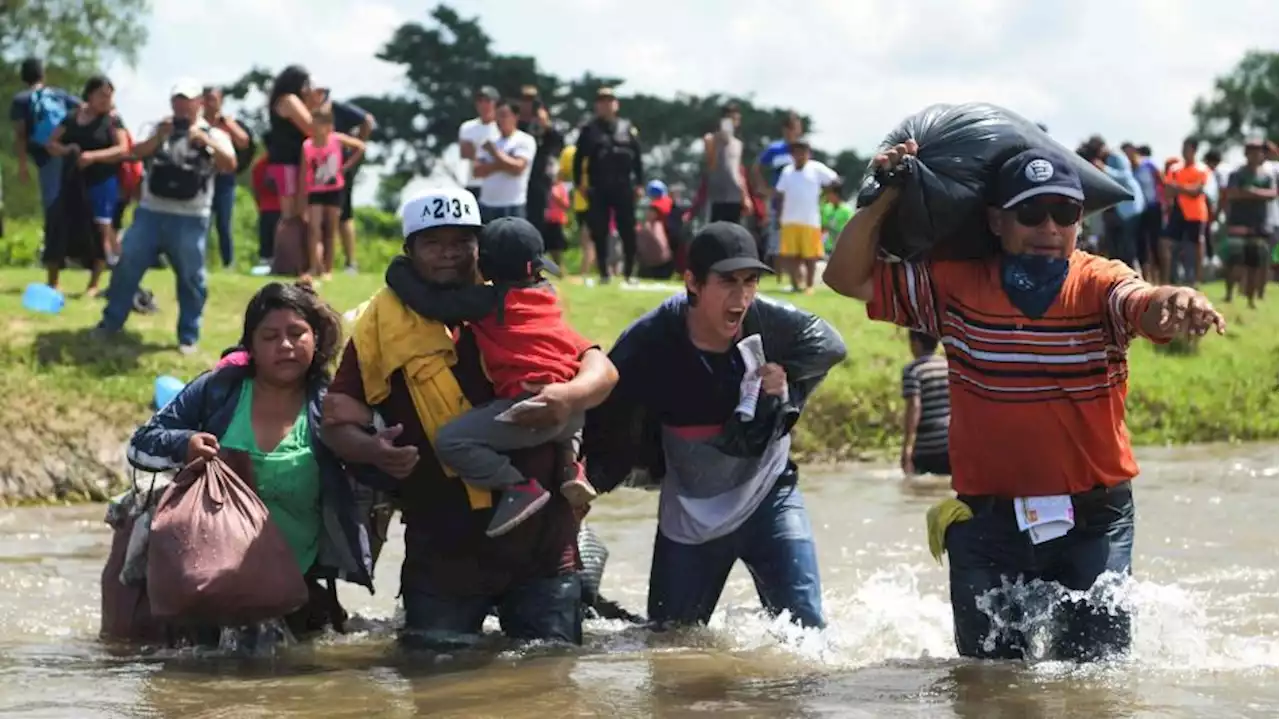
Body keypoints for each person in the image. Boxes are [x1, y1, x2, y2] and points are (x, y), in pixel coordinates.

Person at [824, 140, 1226, 661]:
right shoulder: (956, 285)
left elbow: (1140, 301)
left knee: (1093, 683)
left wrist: (1176, 300)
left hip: (1092, 521)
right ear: (995, 221)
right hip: (988, 526)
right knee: (987, 685)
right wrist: (885, 195)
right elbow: (844, 277)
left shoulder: (1097, 282)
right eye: (1031, 213)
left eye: (1065, 213)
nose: (1050, 229)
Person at [318, 186, 619, 650]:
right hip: (441, 556)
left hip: (542, 553)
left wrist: (567, 395)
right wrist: (372, 449)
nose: (449, 255)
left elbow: (599, 366)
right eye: (433, 243)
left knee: (551, 689)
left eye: (461, 242)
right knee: (437, 689)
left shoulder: (514, 304)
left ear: (481, 249)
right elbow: (335, 424)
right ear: (409, 251)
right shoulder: (380, 326)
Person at [584, 222, 847, 629]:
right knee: (668, 644)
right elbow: (605, 423)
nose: (741, 297)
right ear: (693, 283)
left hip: (769, 496)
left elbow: (831, 345)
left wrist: (787, 379)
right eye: (727, 282)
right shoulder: (649, 342)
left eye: (750, 281)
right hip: (690, 517)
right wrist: (584, 486)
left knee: (809, 639)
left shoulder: (770, 320)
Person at [126, 281, 375, 644]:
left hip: (294, 588)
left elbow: (375, 475)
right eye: (270, 336)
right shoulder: (217, 391)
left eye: (296, 333)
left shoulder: (331, 404)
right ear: (251, 347)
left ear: (316, 340)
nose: (285, 346)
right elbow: (140, 445)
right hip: (206, 586)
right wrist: (185, 444)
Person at [383, 214, 600, 537]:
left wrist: (397, 269)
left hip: (530, 410)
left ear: (484, 268)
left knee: (451, 441)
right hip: (572, 412)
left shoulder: (491, 301)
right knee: (562, 401)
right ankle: (572, 467)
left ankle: (517, 486)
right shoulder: (548, 293)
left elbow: (431, 303)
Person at [95, 79, 236, 355]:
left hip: (191, 217)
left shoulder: (213, 134)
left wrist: (204, 140)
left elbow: (230, 164)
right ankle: (110, 323)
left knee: (192, 279)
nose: (182, 106)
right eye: (178, 101)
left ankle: (188, 336)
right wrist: (159, 137)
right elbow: (134, 153)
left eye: (188, 101)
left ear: (199, 103)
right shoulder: (159, 128)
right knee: (127, 266)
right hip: (151, 212)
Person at [43, 75, 128, 294]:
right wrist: (67, 150)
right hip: (71, 181)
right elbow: (51, 144)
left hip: (101, 181)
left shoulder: (113, 121)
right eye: (102, 95)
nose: (106, 100)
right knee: (58, 225)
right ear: (89, 95)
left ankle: (93, 284)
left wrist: (93, 157)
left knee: (99, 230)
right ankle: (53, 281)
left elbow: (122, 148)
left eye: (109, 96)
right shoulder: (71, 118)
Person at [574, 87, 644, 284]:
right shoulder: (589, 130)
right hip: (598, 186)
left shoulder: (627, 128)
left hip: (624, 186)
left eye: (610, 100)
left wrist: (640, 183)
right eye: (602, 101)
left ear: (616, 104)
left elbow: (638, 158)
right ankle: (604, 272)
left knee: (628, 229)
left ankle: (630, 272)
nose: (606, 105)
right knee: (600, 230)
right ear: (597, 105)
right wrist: (579, 182)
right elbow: (579, 159)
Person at [9, 57, 81, 218]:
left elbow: (20, 135)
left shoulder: (21, 99)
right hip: (68, 149)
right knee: (72, 197)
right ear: (42, 75)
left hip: (45, 153)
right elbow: (83, 108)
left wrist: (22, 165)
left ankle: (55, 239)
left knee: (52, 198)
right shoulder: (58, 94)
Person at [301, 107, 365, 278]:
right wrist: (303, 196)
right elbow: (303, 170)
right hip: (315, 190)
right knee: (314, 229)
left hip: (334, 189)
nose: (315, 127)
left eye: (319, 123)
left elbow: (360, 147)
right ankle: (314, 266)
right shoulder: (307, 145)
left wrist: (346, 166)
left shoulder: (336, 139)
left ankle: (328, 269)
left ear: (328, 125)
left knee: (331, 229)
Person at [318, 88, 375, 273]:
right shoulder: (312, 111)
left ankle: (350, 262)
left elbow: (367, 120)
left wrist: (354, 146)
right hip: (318, 169)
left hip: (340, 168)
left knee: (343, 215)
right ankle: (325, 262)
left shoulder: (338, 108)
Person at [775, 139, 838, 294]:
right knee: (791, 255)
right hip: (789, 219)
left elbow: (834, 179)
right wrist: (779, 214)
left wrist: (825, 194)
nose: (800, 155)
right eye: (796, 152)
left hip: (810, 220)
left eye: (803, 151)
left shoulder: (816, 168)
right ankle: (795, 285)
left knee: (810, 256)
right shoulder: (787, 171)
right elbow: (780, 193)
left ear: (808, 153)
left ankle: (809, 285)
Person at [1221, 139, 1278, 308]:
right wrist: (1255, 195)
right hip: (1238, 223)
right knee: (1234, 260)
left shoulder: (1267, 175)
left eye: (1259, 151)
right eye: (1252, 151)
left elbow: (1273, 194)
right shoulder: (1236, 174)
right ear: (1246, 154)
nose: (1256, 155)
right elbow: (1232, 194)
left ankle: (1251, 299)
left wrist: (1251, 192)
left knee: (1256, 262)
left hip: (1259, 225)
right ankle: (1229, 294)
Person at [201, 86, 253, 269]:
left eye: (214, 99)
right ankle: (201, 262)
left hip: (225, 180)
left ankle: (228, 263)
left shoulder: (229, 123)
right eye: (207, 99)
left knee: (224, 223)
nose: (210, 103)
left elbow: (244, 141)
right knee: (203, 223)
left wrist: (228, 125)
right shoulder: (198, 124)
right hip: (203, 178)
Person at [264, 66, 315, 232]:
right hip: (288, 162)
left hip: (289, 162)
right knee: (291, 215)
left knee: (295, 214)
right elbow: (311, 128)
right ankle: (288, 253)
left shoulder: (279, 100)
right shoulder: (289, 100)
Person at [754, 112, 805, 276]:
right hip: (779, 198)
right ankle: (778, 272)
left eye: (795, 128)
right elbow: (757, 168)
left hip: (800, 199)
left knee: (800, 233)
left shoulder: (803, 149)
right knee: (778, 234)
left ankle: (797, 272)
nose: (792, 132)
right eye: (789, 128)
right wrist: (764, 188)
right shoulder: (775, 149)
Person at [1161, 137, 1212, 286]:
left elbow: (1197, 191)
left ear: (1194, 150)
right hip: (1178, 211)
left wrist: (1179, 188)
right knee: (1167, 243)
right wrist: (1185, 188)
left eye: (1187, 148)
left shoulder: (1202, 169)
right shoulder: (1175, 169)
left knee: (1195, 245)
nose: (1184, 151)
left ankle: (1195, 278)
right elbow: (1168, 191)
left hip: (1196, 213)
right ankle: (1169, 278)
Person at [474, 101, 536, 222]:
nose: (499, 120)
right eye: (497, 116)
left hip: (512, 205)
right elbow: (477, 171)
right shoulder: (489, 141)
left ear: (515, 117)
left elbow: (517, 169)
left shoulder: (524, 140)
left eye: (503, 115)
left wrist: (494, 154)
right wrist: (503, 164)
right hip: (487, 204)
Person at [900, 330, 950, 477]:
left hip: (927, 446)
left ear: (915, 342)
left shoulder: (913, 371)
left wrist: (907, 448)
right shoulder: (949, 366)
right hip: (952, 443)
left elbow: (914, 407)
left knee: (919, 493)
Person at [517, 85, 565, 236]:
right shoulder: (515, 122)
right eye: (524, 100)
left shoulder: (544, 123)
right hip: (518, 178)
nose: (528, 104)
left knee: (537, 220)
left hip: (539, 178)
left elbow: (558, 145)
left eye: (531, 100)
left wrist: (546, 126)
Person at [704, 103, 751, 224]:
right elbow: (711, 165)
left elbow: (738, 172)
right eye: (729, 119)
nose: (733, 122)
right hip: (717, 196)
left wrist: (745, 196)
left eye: (735, 119)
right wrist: (718, 138)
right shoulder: (711, 139)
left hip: (734, 195)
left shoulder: (738, 144)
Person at [558, 143, 595, 282]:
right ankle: (588, 272)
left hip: (595, 202)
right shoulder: (570, 152)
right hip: (580, 203)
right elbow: (562, 174)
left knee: (588, 238)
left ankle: (584, 272)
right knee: (588, 240)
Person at [458, 86, 500, 203]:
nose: (484, 105)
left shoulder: (501, 127)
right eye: (480, 101)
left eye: (488, 101)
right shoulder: (467, 127)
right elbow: (466, 155)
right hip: (473, 183)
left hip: (496, 185)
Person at [251, 153, 281, 265]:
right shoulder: (286, 162)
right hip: (281, 209)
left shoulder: (259, 164)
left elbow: (256, 190)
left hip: (266, 208)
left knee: (266, 243)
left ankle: (266, 262)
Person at [820, 180, 855, 257]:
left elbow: (851, 232)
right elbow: (823, 228)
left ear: (836, 194)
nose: (827, 196)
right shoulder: (827, 208)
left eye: (829, 193)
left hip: (841, 250)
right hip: (827, 249)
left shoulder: (847, 211)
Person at [543, 178, 571, 268]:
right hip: (544, 221)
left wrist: (557, 197)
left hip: (556, 221)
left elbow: (566, 205)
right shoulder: (543, 186)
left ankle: (560, 270)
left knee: (556, 248)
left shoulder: (560, 187)